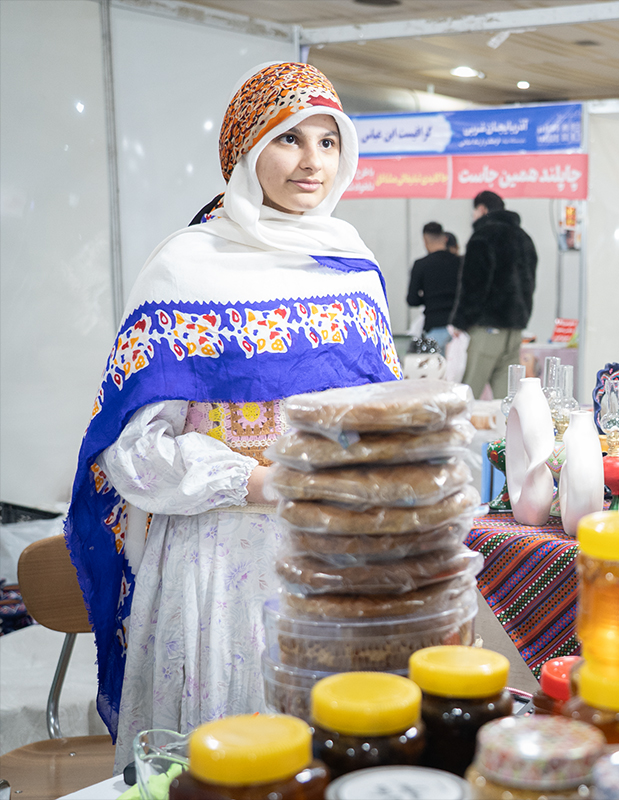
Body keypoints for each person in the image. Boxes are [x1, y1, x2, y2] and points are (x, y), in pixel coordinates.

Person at [63, 62, 402, 768]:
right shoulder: (185, 271)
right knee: (225, 760)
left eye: (328, 142)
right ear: (246, 150)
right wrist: (254, 482)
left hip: (329, 558)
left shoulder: (350, 264)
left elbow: (379, 411)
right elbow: (133, 450)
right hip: (217, 565)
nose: (312, 162)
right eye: (289, 138)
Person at [450, 190, 537, 399]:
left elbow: (474, 285)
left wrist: (460, 322)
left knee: (467, 397)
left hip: (487, 330)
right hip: (514, 332)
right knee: (508, 401)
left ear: (482, 209)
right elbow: (530, 284)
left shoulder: (483, 236)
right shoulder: (525, 239)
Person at [406, 221, 462, 352]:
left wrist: (429, 299)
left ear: (425, 240)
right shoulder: (461, 262)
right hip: (459, 328)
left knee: (433, 364)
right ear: (445, 238)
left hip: (434, 325)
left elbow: (412, 300)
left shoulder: (420, 265)